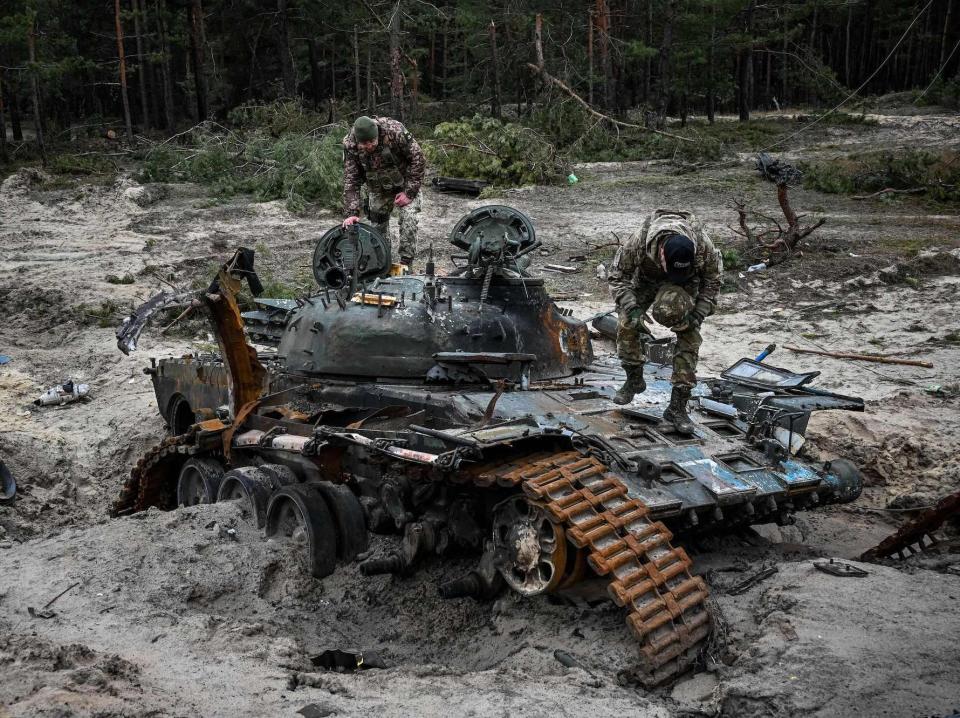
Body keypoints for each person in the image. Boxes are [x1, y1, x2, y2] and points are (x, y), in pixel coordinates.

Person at [607, 208, 723, 434]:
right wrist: (632, 308)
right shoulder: (638, 243)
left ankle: (677, 407)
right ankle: (634, 379)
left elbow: (713, 282)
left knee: (689, 336)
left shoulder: (703, 246)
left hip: (685, 284)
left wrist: (697, 314)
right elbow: (617, 276)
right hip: (646, 279)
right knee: (627, 323)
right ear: (661, 253)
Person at [341, 115, 426, 269]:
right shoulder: (351, 145)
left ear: (377, 135)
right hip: (378, 189)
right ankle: (382, 263)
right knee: (377, 227)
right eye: (364, 144)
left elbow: (418, 158)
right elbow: (351, 179)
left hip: (405, 183)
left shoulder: (394, 131)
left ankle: (406, 263)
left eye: (371, 142)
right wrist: (352, 212)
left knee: (409, 220)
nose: (369, 146)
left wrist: (409, 192)